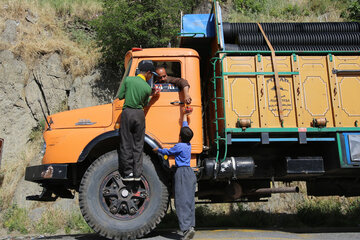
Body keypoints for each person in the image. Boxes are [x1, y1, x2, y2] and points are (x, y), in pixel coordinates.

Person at [153, 112, 196, 240]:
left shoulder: (179, 146)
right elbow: (185, 128)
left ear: (180, 136)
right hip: (190, 172)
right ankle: (191, 226)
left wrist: (158, 150)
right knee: (189, 200)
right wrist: (185, 116)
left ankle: (186, 229)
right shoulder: (188, 145)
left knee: (181, 201)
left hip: (181, 173)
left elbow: (168, 152)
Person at [118, 61, 158, 181]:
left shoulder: (128, 80)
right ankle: (137, 174)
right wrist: (153, 95)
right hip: (139, 115)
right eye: (152, 75)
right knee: (138, 144)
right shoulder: (147, 87)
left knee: (126, 143)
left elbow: (121, 96)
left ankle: (128, 173)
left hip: (127, 113)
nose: (151, 77)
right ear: (148, 73)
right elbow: (145, 104)